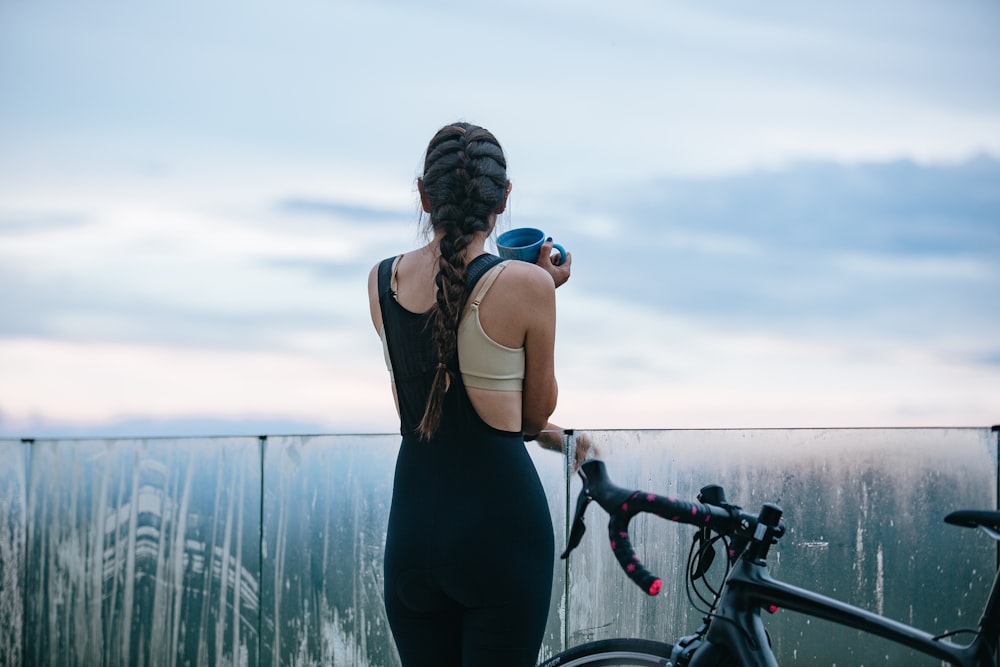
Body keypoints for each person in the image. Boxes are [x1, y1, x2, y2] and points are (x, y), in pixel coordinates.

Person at [367, 121, 571, 666]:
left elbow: (419, 401)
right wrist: (543, 287)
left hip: (411, 531)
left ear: (423, 195)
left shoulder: (380, 281)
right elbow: (534, 416)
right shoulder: (531, 286)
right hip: (500, 535)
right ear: (503, 198)